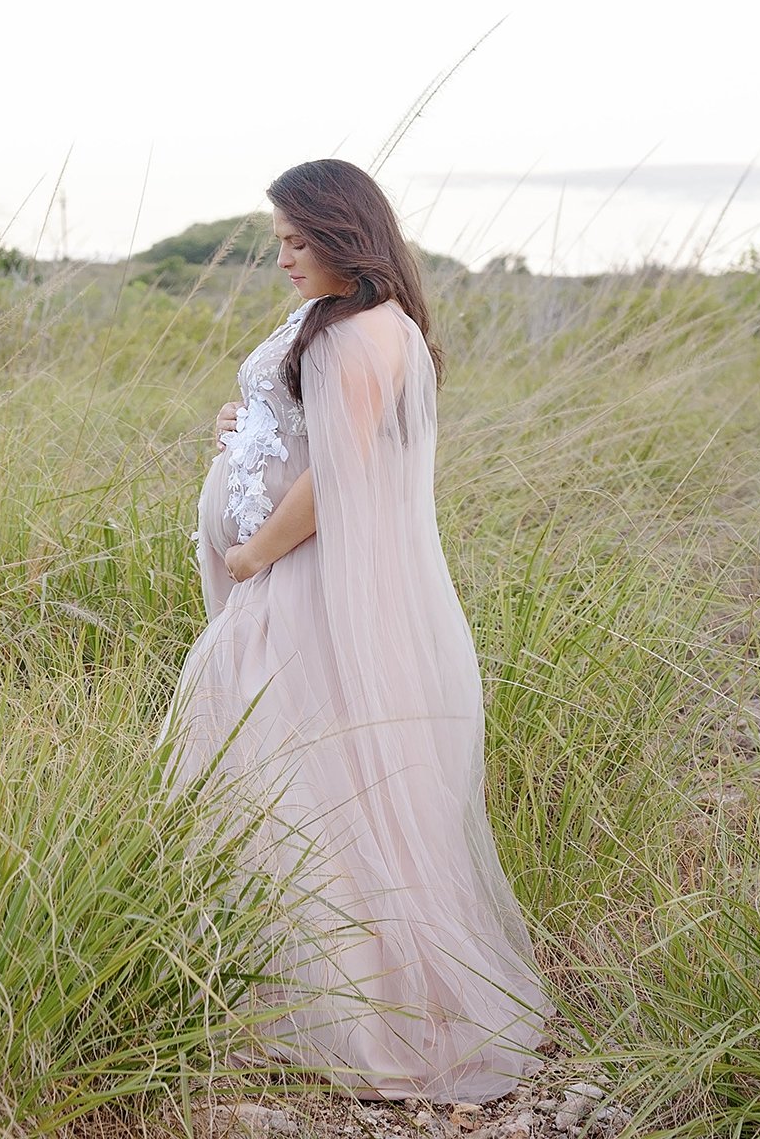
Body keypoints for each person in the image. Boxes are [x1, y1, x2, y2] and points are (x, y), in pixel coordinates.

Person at [166, 158, 548, 1101]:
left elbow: (341, 479)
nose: (285, 259)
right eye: (279, 242)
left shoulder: (354, 338)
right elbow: (311, 430)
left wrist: (253, 557)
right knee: (306, 775)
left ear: (346, 237)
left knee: (297, 781)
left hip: (297, 581)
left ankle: (344, 1015)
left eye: (300, 242)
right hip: (293, 576)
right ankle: (315, 999)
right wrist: (245, 419)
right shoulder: (361, 329)